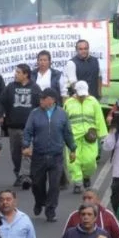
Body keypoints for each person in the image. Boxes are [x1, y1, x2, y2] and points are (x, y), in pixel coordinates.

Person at [21, 89, 76, 222]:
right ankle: (39, 201)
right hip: (39, 156)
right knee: (37, 184)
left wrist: (73, 149)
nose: (40, 101)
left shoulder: (62, 114)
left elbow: (67, 133)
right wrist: (26, 145)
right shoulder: (34, 114)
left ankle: (50, 210)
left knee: (54, 185)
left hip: (56, 156)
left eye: (43, 98)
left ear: (52, 100)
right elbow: (28, 131)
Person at [0, 64, 39, 189]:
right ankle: (18, 174)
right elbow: (1, 102)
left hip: (29, 128)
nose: (15, 74)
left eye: (18, 72)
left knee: (26, 153)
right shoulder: (10, 87)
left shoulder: (35, 88)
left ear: (26, 74)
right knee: (15, 154)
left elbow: (40, 105)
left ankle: (26, 176)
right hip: (13, 127)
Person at [63, 81, 106, 194]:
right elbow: (64, 120)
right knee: (73, 161)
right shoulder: (68, 103)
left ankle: (86, 176)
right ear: (75, 92)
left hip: (89, 137)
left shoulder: (93, 102)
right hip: (73, 137)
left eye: (84, 94)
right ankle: (77, 183)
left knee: (90, 160)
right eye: (80, 94)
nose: (82, 97)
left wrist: (102, 136)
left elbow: (99, 118)